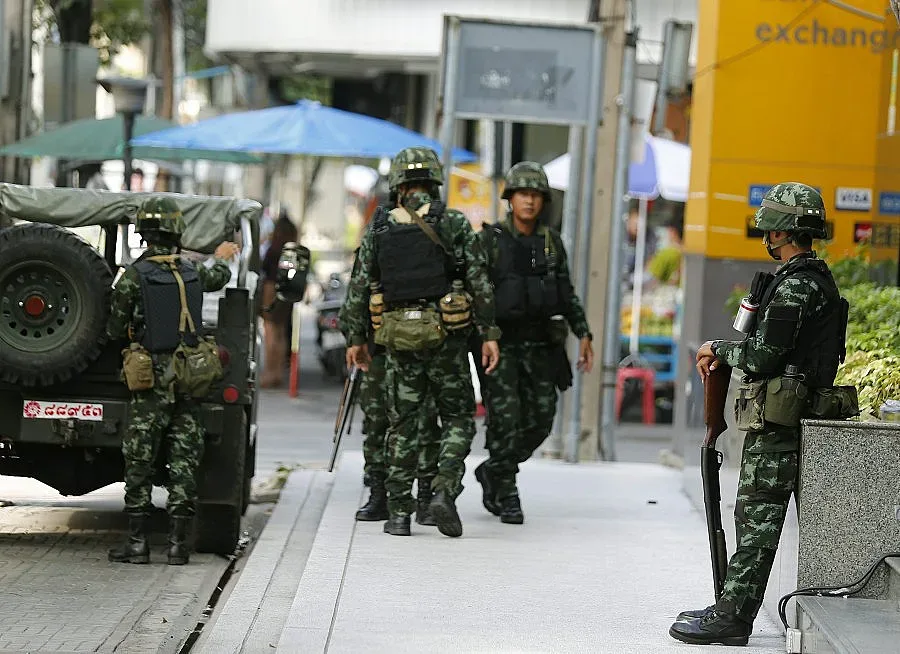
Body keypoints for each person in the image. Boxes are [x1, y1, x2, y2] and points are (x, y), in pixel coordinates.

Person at [670, 182, 844, 646]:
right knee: (753, 518)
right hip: (786, 416)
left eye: (770, 229)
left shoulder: (797, 286)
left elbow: (764, 355)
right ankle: (730, 607)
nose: (766, 236)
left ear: (781, 231)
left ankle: (732, 618)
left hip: (781, 423)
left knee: (757, 523)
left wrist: (718, 348)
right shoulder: (809, 279)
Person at [343, 146, 501, 538]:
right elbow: (479, 280)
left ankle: (398, 514)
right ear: (435, 182)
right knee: (458, 417)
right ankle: (442, 490)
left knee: (402, 423)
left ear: (398, 185)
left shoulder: (380, 227)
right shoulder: (454, 222)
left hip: (398, 339)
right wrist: (489, 334)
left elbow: (359, 285)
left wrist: (356, 338)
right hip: (446, 337)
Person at [107, 196, 239, 565]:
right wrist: (222, 256)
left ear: (144, 234)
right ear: (178, 231)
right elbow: (220, 276)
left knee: (140, 458)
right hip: (190, 378)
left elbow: (114, 328)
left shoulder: (134, 277)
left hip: (150, 379)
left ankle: (137, 543)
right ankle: (179, 545)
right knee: (184, 458)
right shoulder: (193, 272)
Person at [474, 162, 593, 524]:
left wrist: (583, 332)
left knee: (541, 420)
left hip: (541, 346)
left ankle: (494, 469)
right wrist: (486, 335)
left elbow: (566, 292)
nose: (529, 201)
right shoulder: (490, 241)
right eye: (523, 194)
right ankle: (508, 493)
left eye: (536, 195)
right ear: (510, 198)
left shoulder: (551, 243)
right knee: (505, 420)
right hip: (501, 347)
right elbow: (476, 293)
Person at [340, 247, 442, 526]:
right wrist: (355, 338)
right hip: (381, 350)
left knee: (424, 423)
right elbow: (357, 296)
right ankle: (380, 493)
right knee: (378, 423)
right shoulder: (379, 241)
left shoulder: (437, 239)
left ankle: (423, 496)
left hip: (423, 348)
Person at [260, 211, 298, 387]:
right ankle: (278, 373)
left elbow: (265, 270)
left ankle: (269, 372)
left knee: (270, 331)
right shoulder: (293, 250)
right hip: (287, 291)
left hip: (271, 289)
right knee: (281, 331)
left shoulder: (274, 249)